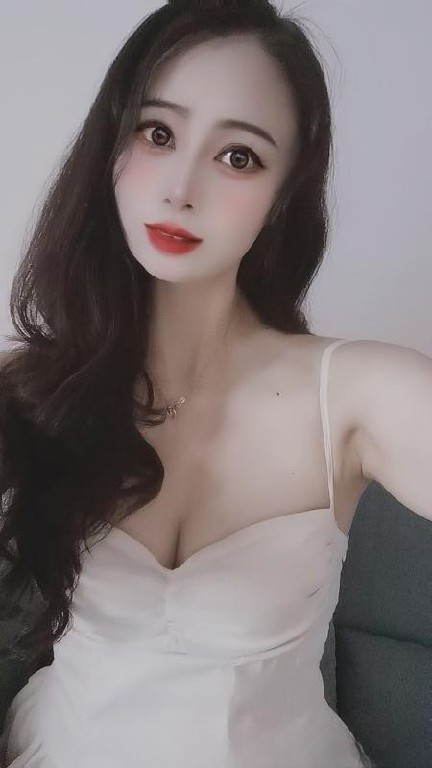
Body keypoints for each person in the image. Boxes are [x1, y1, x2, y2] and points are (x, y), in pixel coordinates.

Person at [0, 0, 378, 765]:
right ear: (111, 146)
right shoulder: (34, 384)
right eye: (158, 133)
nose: (179, 188)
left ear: (283, 195)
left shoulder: (354, 394)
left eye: (238, 156)